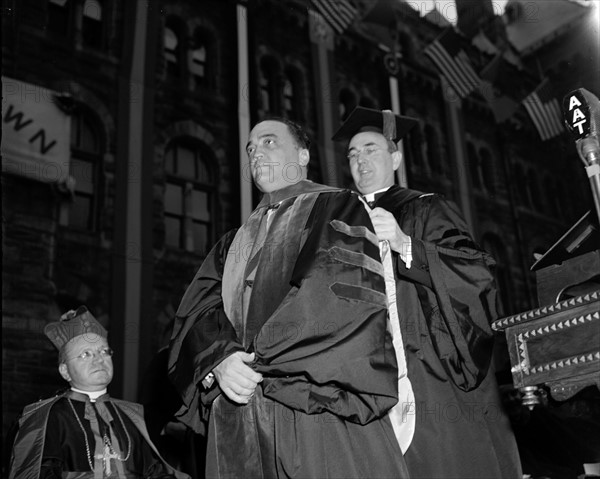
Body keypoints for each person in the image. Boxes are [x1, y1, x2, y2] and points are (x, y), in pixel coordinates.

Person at [167, 118, 409, 478]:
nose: (255, 153)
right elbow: (198, 308)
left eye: (268, 142)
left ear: (303, 154)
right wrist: (220, 358)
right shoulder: (232, 242)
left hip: (313, 401)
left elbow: (334, 297)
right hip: (238, 411)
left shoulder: (337, 207)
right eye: (250, 148)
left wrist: (256, 362)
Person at [332, 106, 523, 479]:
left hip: (428, 372)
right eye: (353, 154)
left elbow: (476, 275)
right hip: (364, 379)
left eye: (371, 149)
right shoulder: (340, 223)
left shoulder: (427, 208)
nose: (360, 160)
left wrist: (407, 246)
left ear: (396, 157)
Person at [8, 306, 189, 479]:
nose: (99, 360)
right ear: (65, 371)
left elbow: (156, 471)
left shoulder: (134, 415)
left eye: (104, 351)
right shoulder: (46, 418)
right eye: (86, 354)